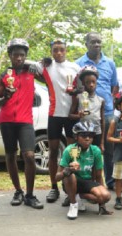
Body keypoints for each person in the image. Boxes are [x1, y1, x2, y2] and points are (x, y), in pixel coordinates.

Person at [31, 39, 81, 203]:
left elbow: (82, 88)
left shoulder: (75, 67)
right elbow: (28, 65)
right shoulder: (47, 66)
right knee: (53, 152)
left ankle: (70, 189)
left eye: (61, 50)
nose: (58, 53)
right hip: (54, 115)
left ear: (66, 50)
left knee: (73, 153)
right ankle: (54, 187)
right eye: (55, 50)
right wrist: (42, 60)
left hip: (71, 115)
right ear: (51, 51)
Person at [0, 38, 44, 209]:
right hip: (7, 120)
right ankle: (18, 190)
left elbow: (46, 76)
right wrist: (5, 96)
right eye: (15, 55)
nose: (18, 58)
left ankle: (30, 195)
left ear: (26, 56)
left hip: (25, 121)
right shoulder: (5, 75)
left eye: (22, 55)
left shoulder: (30, 71)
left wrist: (35, 64)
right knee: (10, 155)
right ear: (10, 55)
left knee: (29, 156)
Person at [76, 32, 119, 191]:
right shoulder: (78, 63)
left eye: (99, 42)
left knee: (107, 149)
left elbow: (114, 85)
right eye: (93, 42)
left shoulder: (110, 63)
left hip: (106, 113)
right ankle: (85, 182)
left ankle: (109, 181)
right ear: (86, 43)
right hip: (85, 115)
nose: (97, 45)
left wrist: (111, 101)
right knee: (86, 150)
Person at [55, 121, 112, 220]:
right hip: (70, 182)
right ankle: (73, 204)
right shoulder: (69, 150)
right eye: (83, 135)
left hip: (86, 182)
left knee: (105, 196)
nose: (87, 138)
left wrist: (102, 205)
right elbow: (56, 177)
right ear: (76, 137)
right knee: (71, 175)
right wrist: (67, 170)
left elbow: (99, 176)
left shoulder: (95, 151)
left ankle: (78, 196)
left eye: (90, 136)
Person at [69, 65, 105, 149]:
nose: (91, 84)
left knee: (96, 157)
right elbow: (70, 115)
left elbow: (102, 121)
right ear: (83, 83)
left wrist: (102, 142)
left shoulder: (101, 100)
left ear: (96, 82)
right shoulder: (78, 97)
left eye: (93, 82)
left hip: (97, 133)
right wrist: (78, 116)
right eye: (88, 82)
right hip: (82, 134)